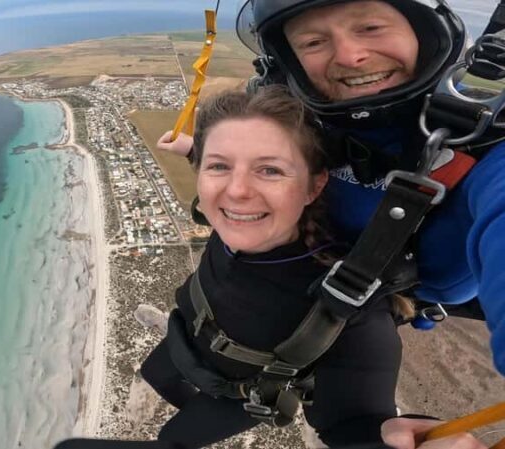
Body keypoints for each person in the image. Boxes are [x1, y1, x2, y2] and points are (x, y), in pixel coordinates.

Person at [156, 1, 505, 447]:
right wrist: (201, 153)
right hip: (215, 320)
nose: (350, 55)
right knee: (168, 382)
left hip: (342, 312)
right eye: (313, 41)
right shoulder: (308, 116)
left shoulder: (487, 154)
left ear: (424, 30)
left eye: (371, 26)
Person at [140, 86, 404, 448]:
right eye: (219, 165)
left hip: (239, 393)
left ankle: (199, 411)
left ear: (314, 187)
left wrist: (395, 439)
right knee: (154, 375)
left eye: (269, 170)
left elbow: (358, 424)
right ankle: (195, 404)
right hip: (187, 339)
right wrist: (191, 149)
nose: (237, 192)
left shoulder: (347, 304)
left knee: (172, 439)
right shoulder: (237, 219)